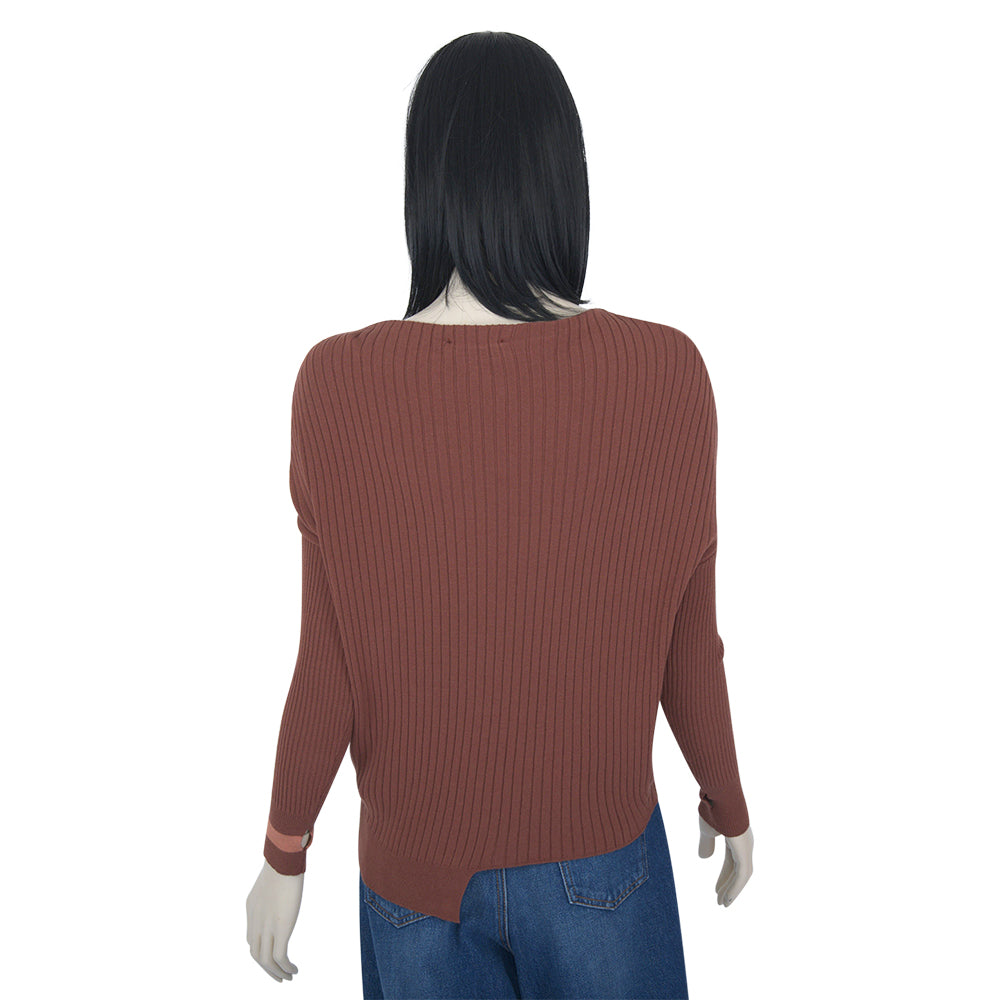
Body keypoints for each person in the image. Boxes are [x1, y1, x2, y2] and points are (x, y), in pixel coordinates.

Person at [246, 30, 753, 999]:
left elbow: (327, 660)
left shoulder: (336, 384)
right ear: (564, 178)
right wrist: (725, 799)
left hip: (413, 884)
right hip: (602, 864)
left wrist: (284, 848)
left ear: (425, 185)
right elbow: (690, 640)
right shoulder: (666, 373)